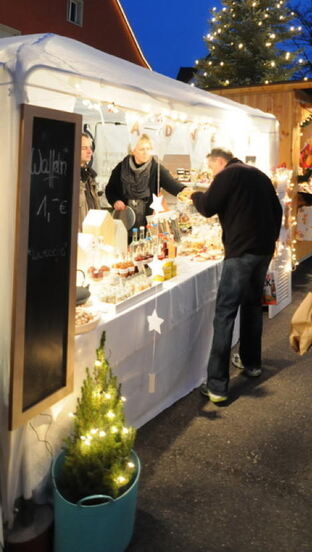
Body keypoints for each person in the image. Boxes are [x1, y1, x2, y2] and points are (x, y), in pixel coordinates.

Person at [191, 148, 283, 404]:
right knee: (252, 306)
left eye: (211, 169)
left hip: (240, 251)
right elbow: (278, 211)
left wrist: (195, 195)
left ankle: (217, 386)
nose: (212, 174)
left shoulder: (227, 175)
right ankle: (252, 363)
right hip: (262, 251)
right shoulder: (260, 175)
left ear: (219, 162)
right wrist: (271, 240)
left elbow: (208, 207)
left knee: (225, 313)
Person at [105, 134, 185, 230]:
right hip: (125, 220)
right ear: (133, 151)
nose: (146, 152)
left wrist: (187, 191)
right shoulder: (121, 168)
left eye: (148, 149)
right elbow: (110, 189)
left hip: (148, 224)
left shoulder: (156, 169)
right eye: (142, 149)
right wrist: (115, 201)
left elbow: (173, 185)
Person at [79, 132, 100, 229]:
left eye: (90, 148)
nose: (89, 152)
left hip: (92, 233)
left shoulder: (90, 177)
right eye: (84, 148)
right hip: (77, 236)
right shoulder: (71, 178)